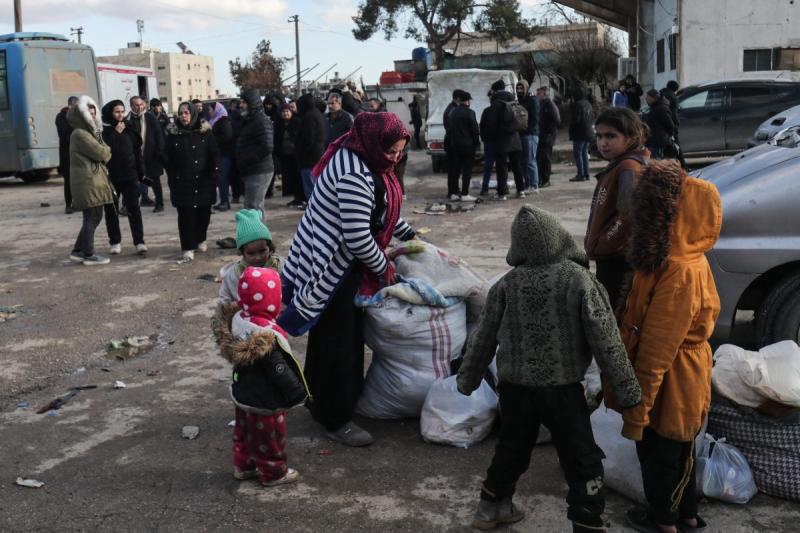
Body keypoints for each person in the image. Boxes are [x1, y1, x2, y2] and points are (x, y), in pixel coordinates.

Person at [457, 205, 642, 532]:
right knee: (581, 457)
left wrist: (468, 380)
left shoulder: (506, 285)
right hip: (562, 390)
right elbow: (607, 340)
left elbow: (483, 337)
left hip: (515, 389)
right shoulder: (579, 281)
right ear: (560, 238)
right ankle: (587, 520)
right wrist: (627, 391)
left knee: (512, 447)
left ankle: (490, 509)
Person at [278, 112, 417, 447]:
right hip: (332, 267)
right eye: (392, 151)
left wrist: (412, 239)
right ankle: (335, 417)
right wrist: (385, 269)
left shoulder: (364, 156)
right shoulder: (354, 174)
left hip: (343, 263)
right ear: (374, 142)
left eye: (400, 151)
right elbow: (357, 237)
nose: (395, 157)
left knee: (337, 338)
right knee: (338, 341)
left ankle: (321, 399)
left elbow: (381, 212)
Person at [615, 160, 720, 533]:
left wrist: (638, 409)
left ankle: (663, 522)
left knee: (662, 451)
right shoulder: (683, 258)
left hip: (674, 375)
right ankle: (686, 515)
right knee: (679, 448)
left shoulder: (679, 269)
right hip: (680, 372)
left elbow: (658, 348)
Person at [213, 265, 309, 487]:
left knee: (243, 432)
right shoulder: (266, 336)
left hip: (243, 394)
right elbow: (280, 371)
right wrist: (298, 394)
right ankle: (274, 472)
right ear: (271, 301)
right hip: (266, 399)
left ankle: (244, 466)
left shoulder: (239, 321)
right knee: (269, 438)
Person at [584, 107, 650, 310]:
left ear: (630, 137)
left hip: (617, 261)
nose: (603, 142)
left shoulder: (628, 168)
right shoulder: (619, 165)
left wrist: (605, 243)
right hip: (611, 256)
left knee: (613, 315)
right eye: (599, 136)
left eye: (611, 136)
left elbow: (628, 215)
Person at [165, 101, 219, 264]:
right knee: (186, 215)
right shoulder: (173, 134)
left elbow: (214, 153)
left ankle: (200, 239)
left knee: (204, 213)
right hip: (183, 182)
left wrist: (214, 173)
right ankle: (188, 247)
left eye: (187, 112)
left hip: (204, 181)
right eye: (181, 113)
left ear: (193, 113)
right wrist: (173, 175)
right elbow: (166, 157)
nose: (183, 116)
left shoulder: (205, 132)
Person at [67, 95, 113, 266]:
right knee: (93, 216)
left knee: (92, 216)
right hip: (88, 181)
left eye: (94, 114)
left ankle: (78, 251)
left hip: (89, 180)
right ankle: (89, 254)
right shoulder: (81, 134)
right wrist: (106, 149)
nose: (93, 117)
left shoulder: (86, 133)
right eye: (89, 114)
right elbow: (102, 154)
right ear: (82, 116)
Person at [101, 100, 148, 256]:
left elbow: (137, 153)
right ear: (110, 113)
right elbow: (105, 152)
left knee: (134, 209)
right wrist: (116, 133)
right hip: (111, 178)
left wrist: (141, 173)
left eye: (122, 111)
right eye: (117, 112)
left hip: (130, 175)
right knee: (112, 211)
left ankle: (139, 242)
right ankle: (115, 242)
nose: (120, 115)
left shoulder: (129, 128)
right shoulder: (105, 131)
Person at [219, 209, 282, 305]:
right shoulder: (233, 275)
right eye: (251, 253)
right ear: (242, 253)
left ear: (270, 247)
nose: (258, 257)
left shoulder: (282, 267)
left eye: (262, 251)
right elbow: (224, 299)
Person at [481, 80, 526, 201]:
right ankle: (521, 190)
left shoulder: (495, 104)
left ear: (494, 91)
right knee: (517, 166)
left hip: (501, 140)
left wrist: (491, 137)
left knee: (502, 167)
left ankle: (502, 193)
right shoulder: (513, 101)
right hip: (516, 139)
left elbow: (490, 125)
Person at [235, 89, 274, 218]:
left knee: (253, 208)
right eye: (240, 102)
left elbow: (267, 146)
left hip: (259, 170)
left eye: (244, 102)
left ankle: (258, 237)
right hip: (252, 170)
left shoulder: (261, 120)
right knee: (252, 207)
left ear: (252, 103)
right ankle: (256, 237)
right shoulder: (249, 120)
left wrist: (247, 159)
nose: (241, 105)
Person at [128, 96, 166, 212]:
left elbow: (158, 135)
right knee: (132, 182)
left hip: (152, 155)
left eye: (141, 104)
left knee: (155, 181)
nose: (139, 107)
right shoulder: (127, 120)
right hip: (135, 157)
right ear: (131, 106)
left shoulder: (150, 117)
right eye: (136, 105)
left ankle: (159, 204)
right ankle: (128, 206)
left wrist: (159, 151)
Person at [445, 92, 479, 201]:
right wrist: (476, 143)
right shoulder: (470, 113)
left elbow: (450, 129)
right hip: (468, 145)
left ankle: (454, 193)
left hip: (455, 145)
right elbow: (475, 130)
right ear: (468, 101)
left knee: (456, 169)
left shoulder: (453, 113)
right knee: (467, 170)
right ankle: (465, 194)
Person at [295, 93, 326, 201]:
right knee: (316, 185)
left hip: (309, 158)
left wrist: (301, 151)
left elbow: (308, 139)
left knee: (310, 187)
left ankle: (314, 208)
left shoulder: (309, 116)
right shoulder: (317, 113)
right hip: (317, 155)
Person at [275, 103, 304, 209]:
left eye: (287, 111)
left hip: (296, 155)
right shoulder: (279, 124)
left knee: (298, 177)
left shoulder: (297, 121)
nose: (285, 113)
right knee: (290, 177)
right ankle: (296, 198)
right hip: (285, 155)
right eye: (283, 112)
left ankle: (301, 198)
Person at [516, 80, 540, 193]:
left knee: (530, 160)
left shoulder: (532, 100)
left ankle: (534, 185)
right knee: (523, 161)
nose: (519, 90)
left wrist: (528, 130)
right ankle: (528, 184)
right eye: (518, 88)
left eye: (521, 88)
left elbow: (535, 119)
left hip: (530, 135)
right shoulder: (520, 101)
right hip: (522, 135)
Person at [209, 102, 234, 212]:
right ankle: (223, 201)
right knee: (219, 179)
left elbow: (227, 137)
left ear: (216, 110)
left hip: (224, 154)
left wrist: (213, 140)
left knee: (222, 178)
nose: (209, 112)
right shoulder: (214, 121)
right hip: (218, 155)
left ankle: (225, 202)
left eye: (210, 110)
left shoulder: (224, 120)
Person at [56, 95, 79, 214]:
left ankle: (78, 203)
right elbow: (64, 131)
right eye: (75, 107)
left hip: (79, 153)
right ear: (69, 105)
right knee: (68, 180)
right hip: (66, 153)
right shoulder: (61, 116)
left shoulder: (80, 117)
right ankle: (68, 204)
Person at [569, 86, 595, 182]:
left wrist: (571, 129)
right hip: (588, 132)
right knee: (584, 153)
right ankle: (586, 174)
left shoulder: (578, 105)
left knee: (578, 153)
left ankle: (581, 174)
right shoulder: (588, 104)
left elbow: (576, 120)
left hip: (579, 132)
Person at [536, 86, 561, 188]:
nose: (537, 95)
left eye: (539, 93)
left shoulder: (549, 105)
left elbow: (556, 120)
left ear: (544, 94)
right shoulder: (541, 104)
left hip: (547, 136)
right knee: (540, 158)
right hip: (541, 135)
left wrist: (549, 133)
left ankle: (546, 180)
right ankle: (541, 178)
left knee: (545, 158)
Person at [642, 89, 676, 160]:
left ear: (653, 98)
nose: (646, 100)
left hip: (657, 141)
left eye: (647, 98)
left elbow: (670, 125)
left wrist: (668, 136)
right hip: (652, 139)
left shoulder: (661, 108)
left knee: (656, 161)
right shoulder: (653, 107)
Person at [660, 81, 686, 167]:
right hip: (671, 123)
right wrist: (676, 125)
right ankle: (683, 166)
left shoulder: (661, 93)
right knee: (676, 145)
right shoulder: (673, 97)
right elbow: (674, 113)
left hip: (661, 124)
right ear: (675, 89)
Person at [228, 99, 245, 204]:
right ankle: (243, 194)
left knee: (234, 175)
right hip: (243, 150)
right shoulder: (245, 117)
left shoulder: (232, 118)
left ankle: (236, 196)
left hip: (234, 150)